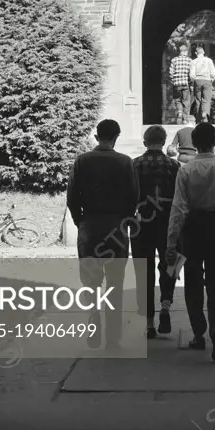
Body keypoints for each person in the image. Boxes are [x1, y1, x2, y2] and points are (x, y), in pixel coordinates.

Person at [166, 122, 215, 363]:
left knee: (193, 280)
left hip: (193, 226)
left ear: (195, 143)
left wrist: (171, 241)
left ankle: (199, 332)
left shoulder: (186, 169)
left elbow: (178, 207)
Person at [66, 119, 138, 352]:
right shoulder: (125, 162)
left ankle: (93, 316)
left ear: (96, 137)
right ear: (116, 136)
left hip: (90, 224)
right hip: (116, 226)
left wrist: (81, 221)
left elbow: (72, 197)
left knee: (91, 280)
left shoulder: (82, 161)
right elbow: (133, 197)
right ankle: (113, 337)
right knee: (115, 283)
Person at [130, 126, 180, 339]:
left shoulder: (134, 165)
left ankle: (149, 323)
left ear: (144, 142)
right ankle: (166, 305)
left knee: (144, 270)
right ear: (164, 141)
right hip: (167, 222)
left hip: (141, 221)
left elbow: (129, 195)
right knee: (168, 265)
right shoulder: (174, 165)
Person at [189, 44, 215, 123]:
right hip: (207, 80)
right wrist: (211, 79)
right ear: (203, 52)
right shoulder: (209, 60)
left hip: (197, 80)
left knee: (198, 100)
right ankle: (205, 116)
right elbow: (213, 73)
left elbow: (192, 75)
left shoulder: (193, 61)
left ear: (195, 53)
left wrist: (194, 81)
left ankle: (198, 120)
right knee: (206, 100)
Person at [169, 42, 192, 124]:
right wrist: (190, 82)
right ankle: (185, 119)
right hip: (185, 83)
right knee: (186, 101)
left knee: (177, 100)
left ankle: (179, 111)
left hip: (176, 84)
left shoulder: (174, 60)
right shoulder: (189, 60)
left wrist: (173, 80)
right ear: (185, 51)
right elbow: (191, 73)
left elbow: (171, 73)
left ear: (180, 51)